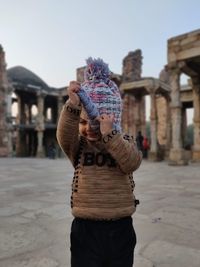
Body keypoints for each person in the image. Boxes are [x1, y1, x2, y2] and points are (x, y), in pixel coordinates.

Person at [56, 57, 142, 267]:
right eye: (83, 122)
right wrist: (72, 107)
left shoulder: (124, 142)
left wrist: (110, 136)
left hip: (120, 227)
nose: (89, 128)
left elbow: (131, 163)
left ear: (113, 120)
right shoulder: (79, 146)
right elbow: (64, 137)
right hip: (85, 228)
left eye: (96, 122)